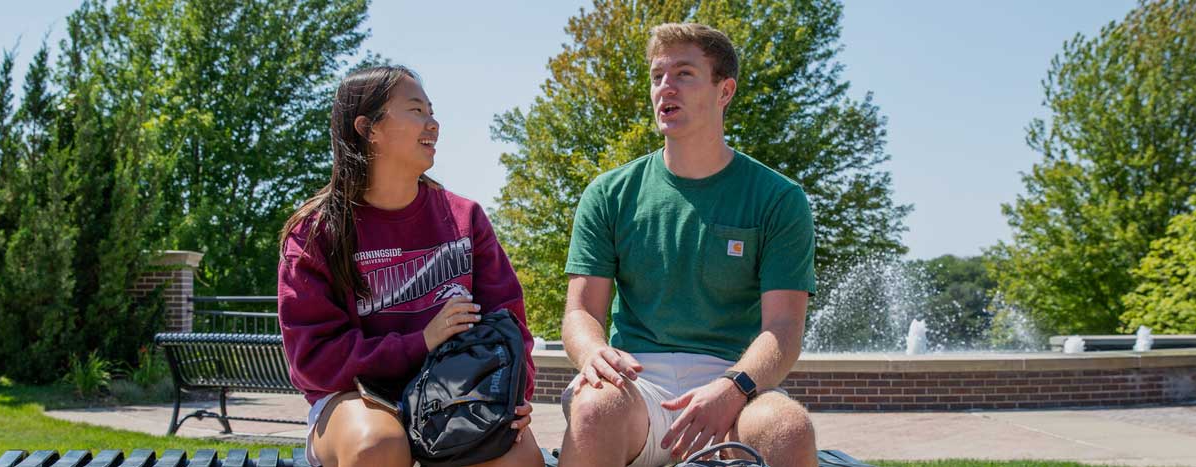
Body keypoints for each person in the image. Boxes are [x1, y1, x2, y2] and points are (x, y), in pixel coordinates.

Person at [559, 23, 819, 467]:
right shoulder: (609, 193)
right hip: (638, 384)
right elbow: (581, 312)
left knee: (787, 429)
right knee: (592, 410)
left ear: (725, 90)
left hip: (736, 383)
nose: (666, 88)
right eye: (658, 76)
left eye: (684, 74)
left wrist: (733, 387)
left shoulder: (778, 198)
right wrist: (592, 353)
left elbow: (783, 329)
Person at [277, 65, 543, 467]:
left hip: (456, 393)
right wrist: (420, 342)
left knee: (518, 458)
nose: (433, 124)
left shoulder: (465, 217)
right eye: (416, 110)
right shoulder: (316, 232)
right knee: (378, 446)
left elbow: (508, 324)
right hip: (357, 400)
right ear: (368, 128)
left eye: (432, 111)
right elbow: (314, 360)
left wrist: (513, 395)